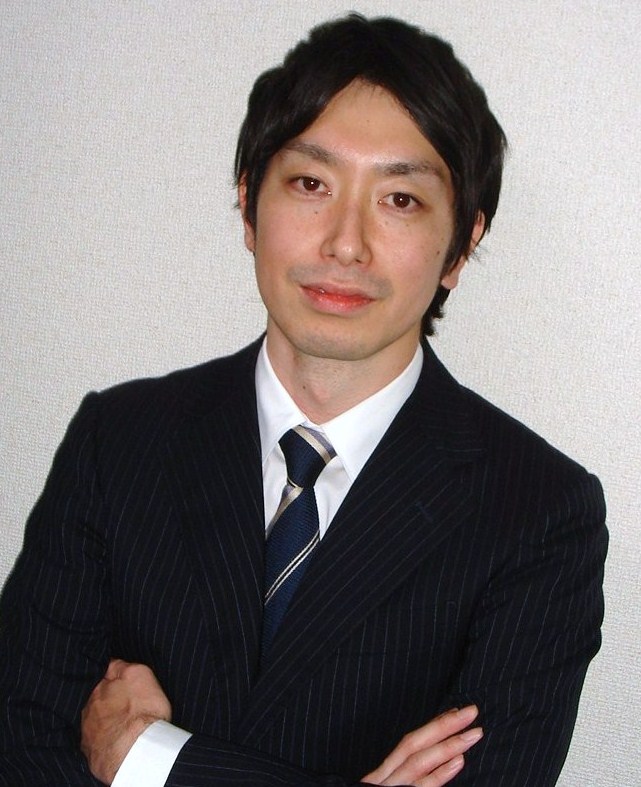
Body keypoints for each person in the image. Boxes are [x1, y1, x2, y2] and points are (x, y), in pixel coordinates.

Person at [0, 13, 607, 787]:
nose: (345, 243)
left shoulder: (539, 511)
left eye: (400, 199)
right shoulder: (117, 442)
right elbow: (21, 743)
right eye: (311, 184)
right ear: (248, 204)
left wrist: (153, 760)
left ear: (460, 246)